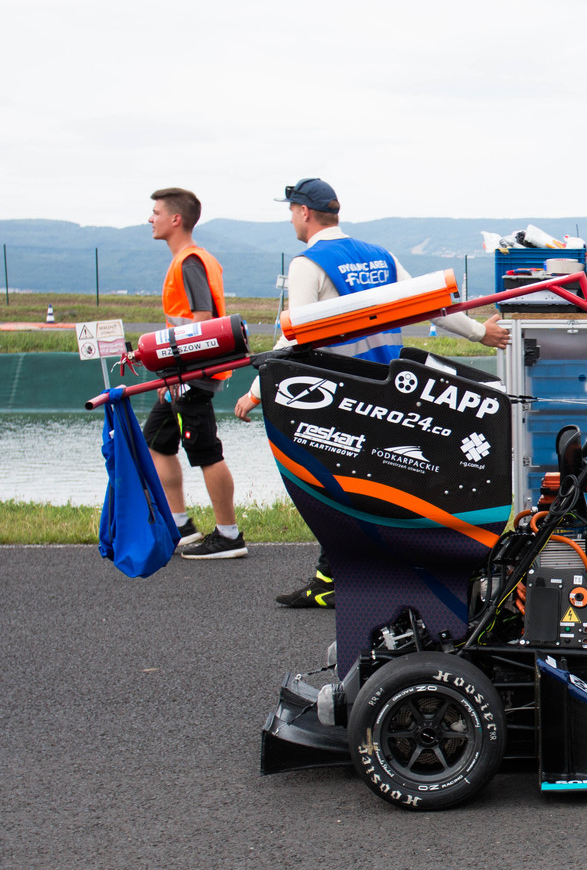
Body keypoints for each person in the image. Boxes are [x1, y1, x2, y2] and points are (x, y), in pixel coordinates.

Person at [235, 178, 510, 607]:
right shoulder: (381, 255)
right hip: (389, 390)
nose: (290, 219)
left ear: (304, 212)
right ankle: (367, 574)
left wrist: (256, 389)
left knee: (335, 489)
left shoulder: (308, 264)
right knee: (386, 485)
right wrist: (479, 332)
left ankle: (338, 580)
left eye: (291, 211)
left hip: (339, 394)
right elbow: (431, 304)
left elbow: (296, 338)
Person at [144, 187, 246, 560]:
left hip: (192, 377)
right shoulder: (188, 260)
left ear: (176, 219)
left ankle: (229, 536)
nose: (150, 219)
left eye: (156, 212)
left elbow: (201, 321)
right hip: (181, 376)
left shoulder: (189, 261)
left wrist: (178, 376)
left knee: (205, 452)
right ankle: (181, 525)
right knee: (156, 442)